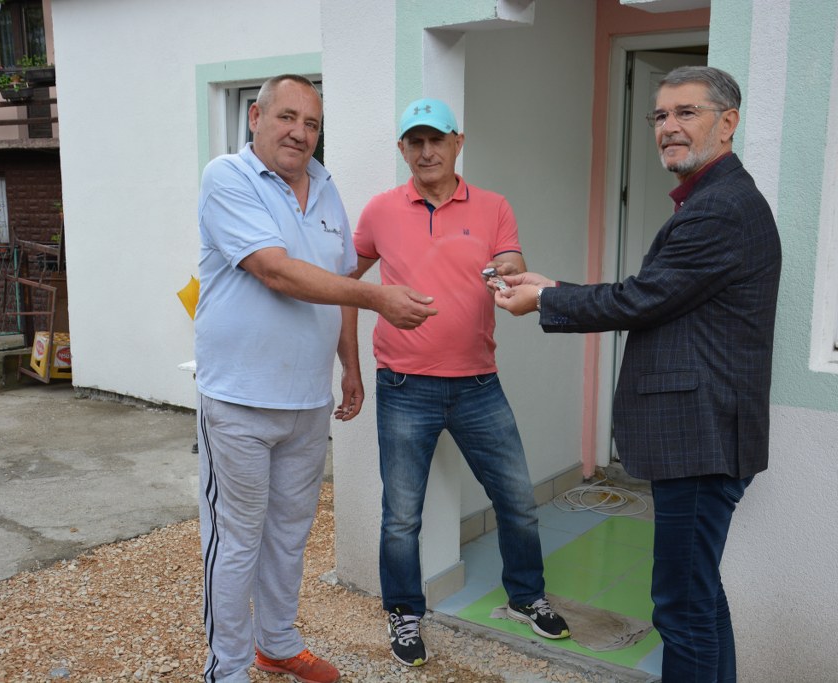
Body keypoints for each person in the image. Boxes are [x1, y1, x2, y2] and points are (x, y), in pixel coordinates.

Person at [495, 66, 781, 682]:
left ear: (727, 123)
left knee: (682, 606)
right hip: (706, 437)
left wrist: (544, 300)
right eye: (660, 115)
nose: (668, 127)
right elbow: (660, 294)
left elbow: (642, 299)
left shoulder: (720, 209)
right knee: (698, 596)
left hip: (701, 441)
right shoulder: (717, 200)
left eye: (686, 112)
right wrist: (554, 287)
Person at [195, 75, 437, 683]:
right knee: (236, 540)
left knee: (288, 534)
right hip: (240, 400)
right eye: (287, 117)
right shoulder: (228, 177)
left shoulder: (326, 189)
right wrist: (380, 298)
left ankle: (276, 643)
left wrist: (350, 365)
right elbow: (275, 272)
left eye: (311, 124)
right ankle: (226, 669)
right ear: (256, 117)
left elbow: (340, 283)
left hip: (306, 400)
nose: (299, 133)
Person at [347, 98, 570, 668]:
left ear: (457, 143)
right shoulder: (379, 211)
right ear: (403, 150)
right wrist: (350, 363)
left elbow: (511, 259)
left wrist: (508, 271)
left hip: (478, 385)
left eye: (437, 140)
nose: (427, 152)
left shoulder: (493, 206)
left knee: (516, 500)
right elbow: (347, 283)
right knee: (402, 516)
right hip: (403, 387)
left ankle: (526, 596)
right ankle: (404, 611)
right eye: (415, 142)